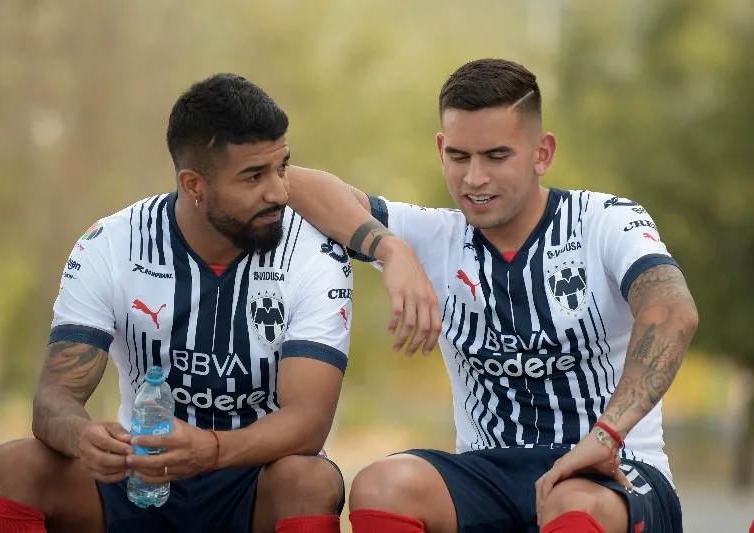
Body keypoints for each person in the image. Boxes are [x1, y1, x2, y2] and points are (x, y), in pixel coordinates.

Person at [286, 58, 699, 533]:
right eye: (459, 156)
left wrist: (607, 434)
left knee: (573, 504)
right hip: (492, 476)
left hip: (616, 470)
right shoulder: (433, 236)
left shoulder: (604, 221)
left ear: (542, 153)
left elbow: (673, 312)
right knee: (381, 485)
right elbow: (291, 183)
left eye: (497, 156)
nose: (474, 178)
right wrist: (389, 248)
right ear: (441, 150)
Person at [0, 73, 398, 533]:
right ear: (194, 184)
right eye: (254, 176)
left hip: (252, 481)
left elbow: (309, 422)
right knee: (14, 465)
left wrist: (210, 449)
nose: (278, 191)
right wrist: (83, 436)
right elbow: (53, 399)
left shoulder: (313, 253)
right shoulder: (111, 244)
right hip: (142, 480)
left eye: (281, 168)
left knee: (310, 478)